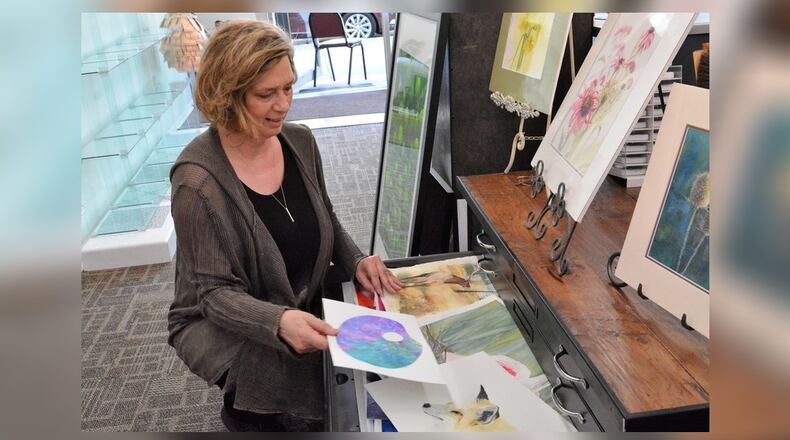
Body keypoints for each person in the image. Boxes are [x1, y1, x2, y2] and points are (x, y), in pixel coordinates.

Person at [167, 19, 403, 432]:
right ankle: (247, 411)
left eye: (288, 88)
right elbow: (214, 295)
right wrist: (277, 322)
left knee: (383, 366)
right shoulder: (196, 183)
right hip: (228, 320)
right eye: (266, 94)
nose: (283, 105)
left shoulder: (300, 141)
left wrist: (356, 260)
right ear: (228, 95)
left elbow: (326, 216)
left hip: (299, 291)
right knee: (314, 406)